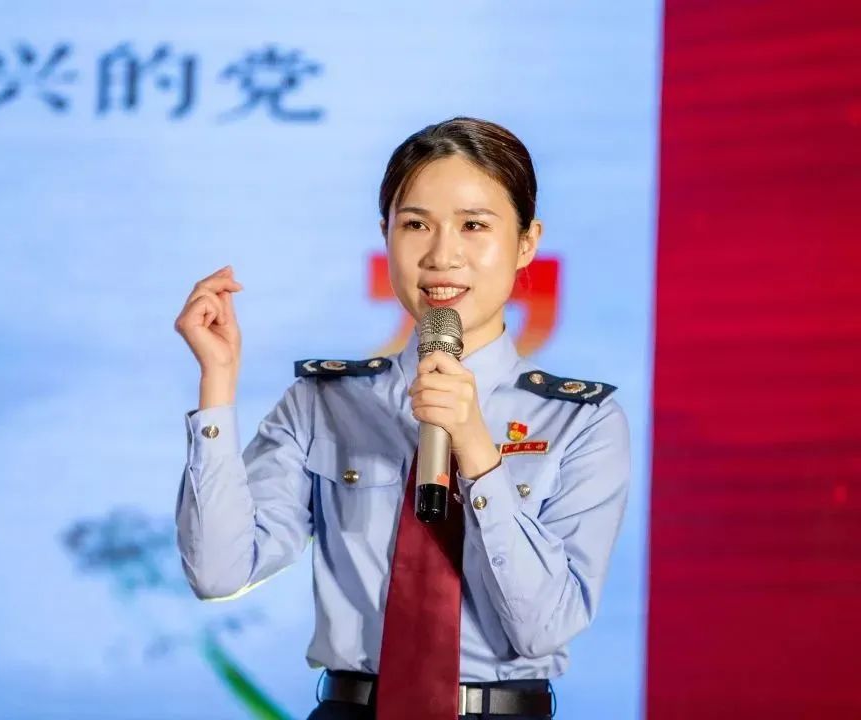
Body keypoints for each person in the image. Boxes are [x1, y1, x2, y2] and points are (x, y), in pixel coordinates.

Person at [173, 117, 630, 720]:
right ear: (385, 235)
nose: (442, 256)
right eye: (415, 225)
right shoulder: (323, 401)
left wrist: (476, 450)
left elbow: (545, 627)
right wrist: (217, 387)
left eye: (473, 226)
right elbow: (218, 573)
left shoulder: (582, 423)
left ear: (526, 242)